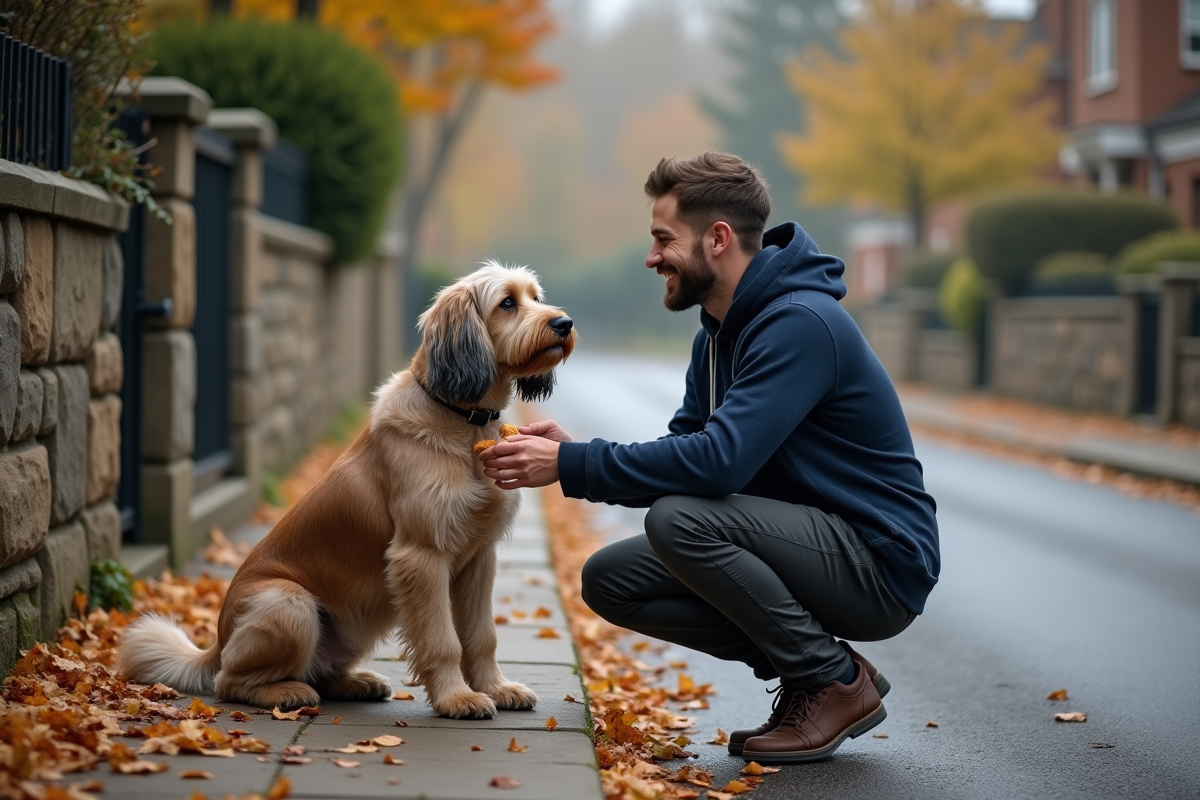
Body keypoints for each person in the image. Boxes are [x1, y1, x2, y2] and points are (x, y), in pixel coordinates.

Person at [478, 151, 939, 764]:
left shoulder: (801, 324)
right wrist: (573, 455)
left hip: (878, 560)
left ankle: (829, 681)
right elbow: (684, 453)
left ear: (718, 239)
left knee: (679, 520)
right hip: (808, 544)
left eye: (664, 239)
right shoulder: (717, 335)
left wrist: (571, 467)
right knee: (612, 580)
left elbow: (716, 465)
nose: (651, 257)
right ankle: (819, 671)